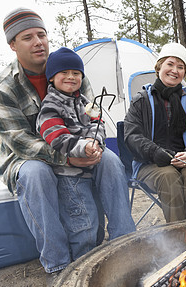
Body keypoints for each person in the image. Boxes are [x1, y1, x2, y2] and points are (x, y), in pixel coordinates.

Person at [0, 8, 135, 278]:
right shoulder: (1, 88)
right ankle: (57, 264)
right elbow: (20, 142)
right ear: (12, 45)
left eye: (41, 35)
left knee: (112, 161)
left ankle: (124, 244)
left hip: (78, 146)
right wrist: (68, 158)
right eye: (27, 37)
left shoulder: (69, 70)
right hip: (27, 158)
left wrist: (92, 144)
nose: (38, 42)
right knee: (37, 174)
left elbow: (94, 116)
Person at [36, 46, 136, 260]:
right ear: (52, 78)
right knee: (83, 221)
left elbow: (98, 123)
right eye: (64, 73)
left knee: (93, 219)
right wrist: (82, 147)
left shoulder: (85, 103)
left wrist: (94, 141)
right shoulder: (50, 106)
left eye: (76, 73)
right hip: (69, 174)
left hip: (91, 161)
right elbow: (56, 136)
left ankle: (124, 244)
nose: (71, 77)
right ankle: (83, 263)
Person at [124, 42, 186, 223]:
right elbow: (132, 136)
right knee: (169, 176)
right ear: (159, 67)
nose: (175, 70)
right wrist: (156, 152)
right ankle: (178, 240)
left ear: (184, 73)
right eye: (170, 64)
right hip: (150, 164)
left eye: (180, 67)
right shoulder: (141, 100)